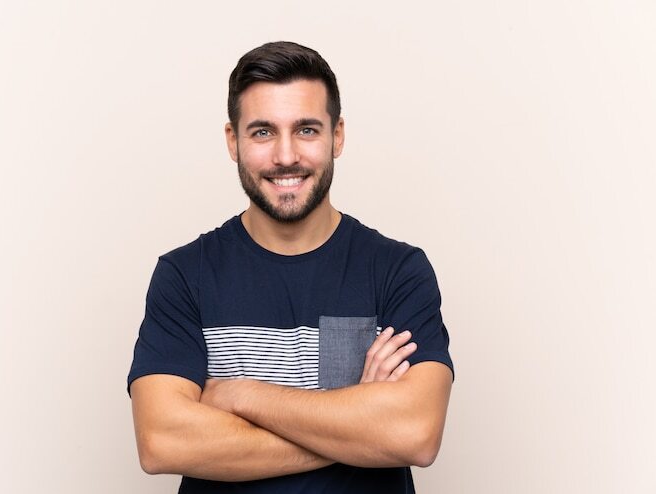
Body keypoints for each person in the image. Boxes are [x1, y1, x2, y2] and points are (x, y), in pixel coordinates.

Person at [127, 41, 454, 493]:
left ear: (337, 136)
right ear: (232, 140)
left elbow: (414, 434)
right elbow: (162, 441)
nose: (285, 156)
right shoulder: (185, 276)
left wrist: (239, 394)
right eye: (262, 132)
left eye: (306, 130)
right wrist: (356, 421)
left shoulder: (398, 271)